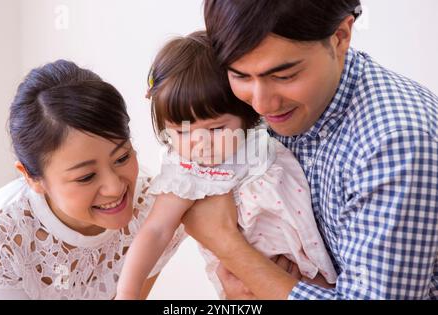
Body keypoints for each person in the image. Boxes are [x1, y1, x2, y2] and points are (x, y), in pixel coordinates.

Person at [180, 0, 438, 299]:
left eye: (284, 76)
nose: (261, 104)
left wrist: (228, 246)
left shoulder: (396, 144)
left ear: (341, 36)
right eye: (240, 76)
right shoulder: (251, 106)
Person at [115, 31, 337, 300]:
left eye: (216, 128)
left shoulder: (265, 136)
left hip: (313, 266)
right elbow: (156, 230)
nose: (200, 144)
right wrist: (127, 292)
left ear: (246, 114)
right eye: (181, 132)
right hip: (246, 282)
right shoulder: (189, 172)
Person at [0, 60, 185, 299]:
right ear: (32, 177)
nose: (115, 188)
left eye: (122, 157)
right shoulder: (2, 239)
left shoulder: (154, 213)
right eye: (86, 177)